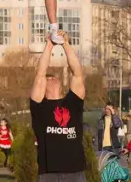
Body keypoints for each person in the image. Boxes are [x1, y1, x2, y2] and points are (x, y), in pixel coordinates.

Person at [30, 30, 86, 181]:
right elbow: (40, 73)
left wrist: (66, 44)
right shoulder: (40, 108)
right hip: (49, 173)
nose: (53, 78)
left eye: (54, 77)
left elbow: (78, 73)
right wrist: (49, 45)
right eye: (49, 78)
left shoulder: (72, 103)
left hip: (75, 172)